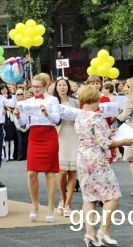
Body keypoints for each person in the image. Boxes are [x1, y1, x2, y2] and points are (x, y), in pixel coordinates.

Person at [75, 85, 133, 247]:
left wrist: (109, 132)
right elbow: (104, 143)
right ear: (94, 100)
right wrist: (123, 142)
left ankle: (89, 233)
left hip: (82, 158)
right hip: (96, 159)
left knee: (89, 198)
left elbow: (92, 135)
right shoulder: (96, 117)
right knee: (112, 195)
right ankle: (103, 229)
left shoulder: (79, 117)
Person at [18, 73, 60, 223]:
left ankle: (50, 206)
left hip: (49, 134)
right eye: (33, 86)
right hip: (34, 135)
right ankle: (34, 204)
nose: (35, 89)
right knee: (31, 173)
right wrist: (18, 116)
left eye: (38, 86)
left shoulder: (53, 100)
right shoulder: (27, 101)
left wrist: (46, 113)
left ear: (45, 86)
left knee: (50, 173)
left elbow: (57, 119)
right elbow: (23, 124)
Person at [54, 78, 79, 217]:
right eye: (60, 85)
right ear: (56, 88)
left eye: (64, 85)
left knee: (73, 172)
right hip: (60, 135)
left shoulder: (75, 101)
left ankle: (68, 203)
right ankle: (62, 198)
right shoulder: (53, 101)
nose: (62, 87)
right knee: (62, 171)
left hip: (74, 134)